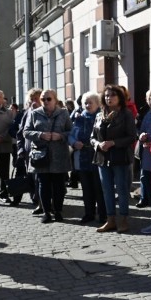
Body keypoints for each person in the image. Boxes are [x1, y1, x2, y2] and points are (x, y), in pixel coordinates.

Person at [92, 84, 137, 233]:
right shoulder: (100, 115)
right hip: (102, 158)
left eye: (112, 95)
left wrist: (113, 143)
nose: (109, 98)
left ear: (119, 98)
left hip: (120, 158)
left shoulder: (126, 114)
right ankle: (110, 220)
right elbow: (92, 137)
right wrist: (98, 144)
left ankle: (123, 219)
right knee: (107, 190)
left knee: (122, 190)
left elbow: (131, 136)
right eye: (106, 96)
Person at [22, 89, 72, 223]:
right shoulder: (34, 113)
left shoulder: (63, 113)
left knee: (59, 186)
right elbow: (26, 132)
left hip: (59, 155)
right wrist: (40, 135)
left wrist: (60, 136)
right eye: (43, 99)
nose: (45, 102)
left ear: (55, 100)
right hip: (41, 155)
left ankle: (58, 211)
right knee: (43, 185)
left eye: (48, 99)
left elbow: (71, 132)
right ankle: (46, 212)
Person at [68, 92, 106, 224]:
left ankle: (103, 215)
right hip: (82, 157)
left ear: (98, 104)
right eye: (86, 103)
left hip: (98, 156)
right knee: (86, 187)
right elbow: (71, 134)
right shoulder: (79, 118)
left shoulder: (102, 117)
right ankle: (88, 213)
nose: (88, 105)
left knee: (99, 188)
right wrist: (73, 142)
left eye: (91, 103)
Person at [15, 88, 43, 210]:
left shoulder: (45, 113)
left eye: (36, 99)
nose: (33, 102)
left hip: (42, 151)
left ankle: (41, 201)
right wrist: (20, 149)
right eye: (31, 99)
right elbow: (20, 133)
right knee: (30, 177)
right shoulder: (26, 113)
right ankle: (35, 200)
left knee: (40, 178)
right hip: (28, 152)